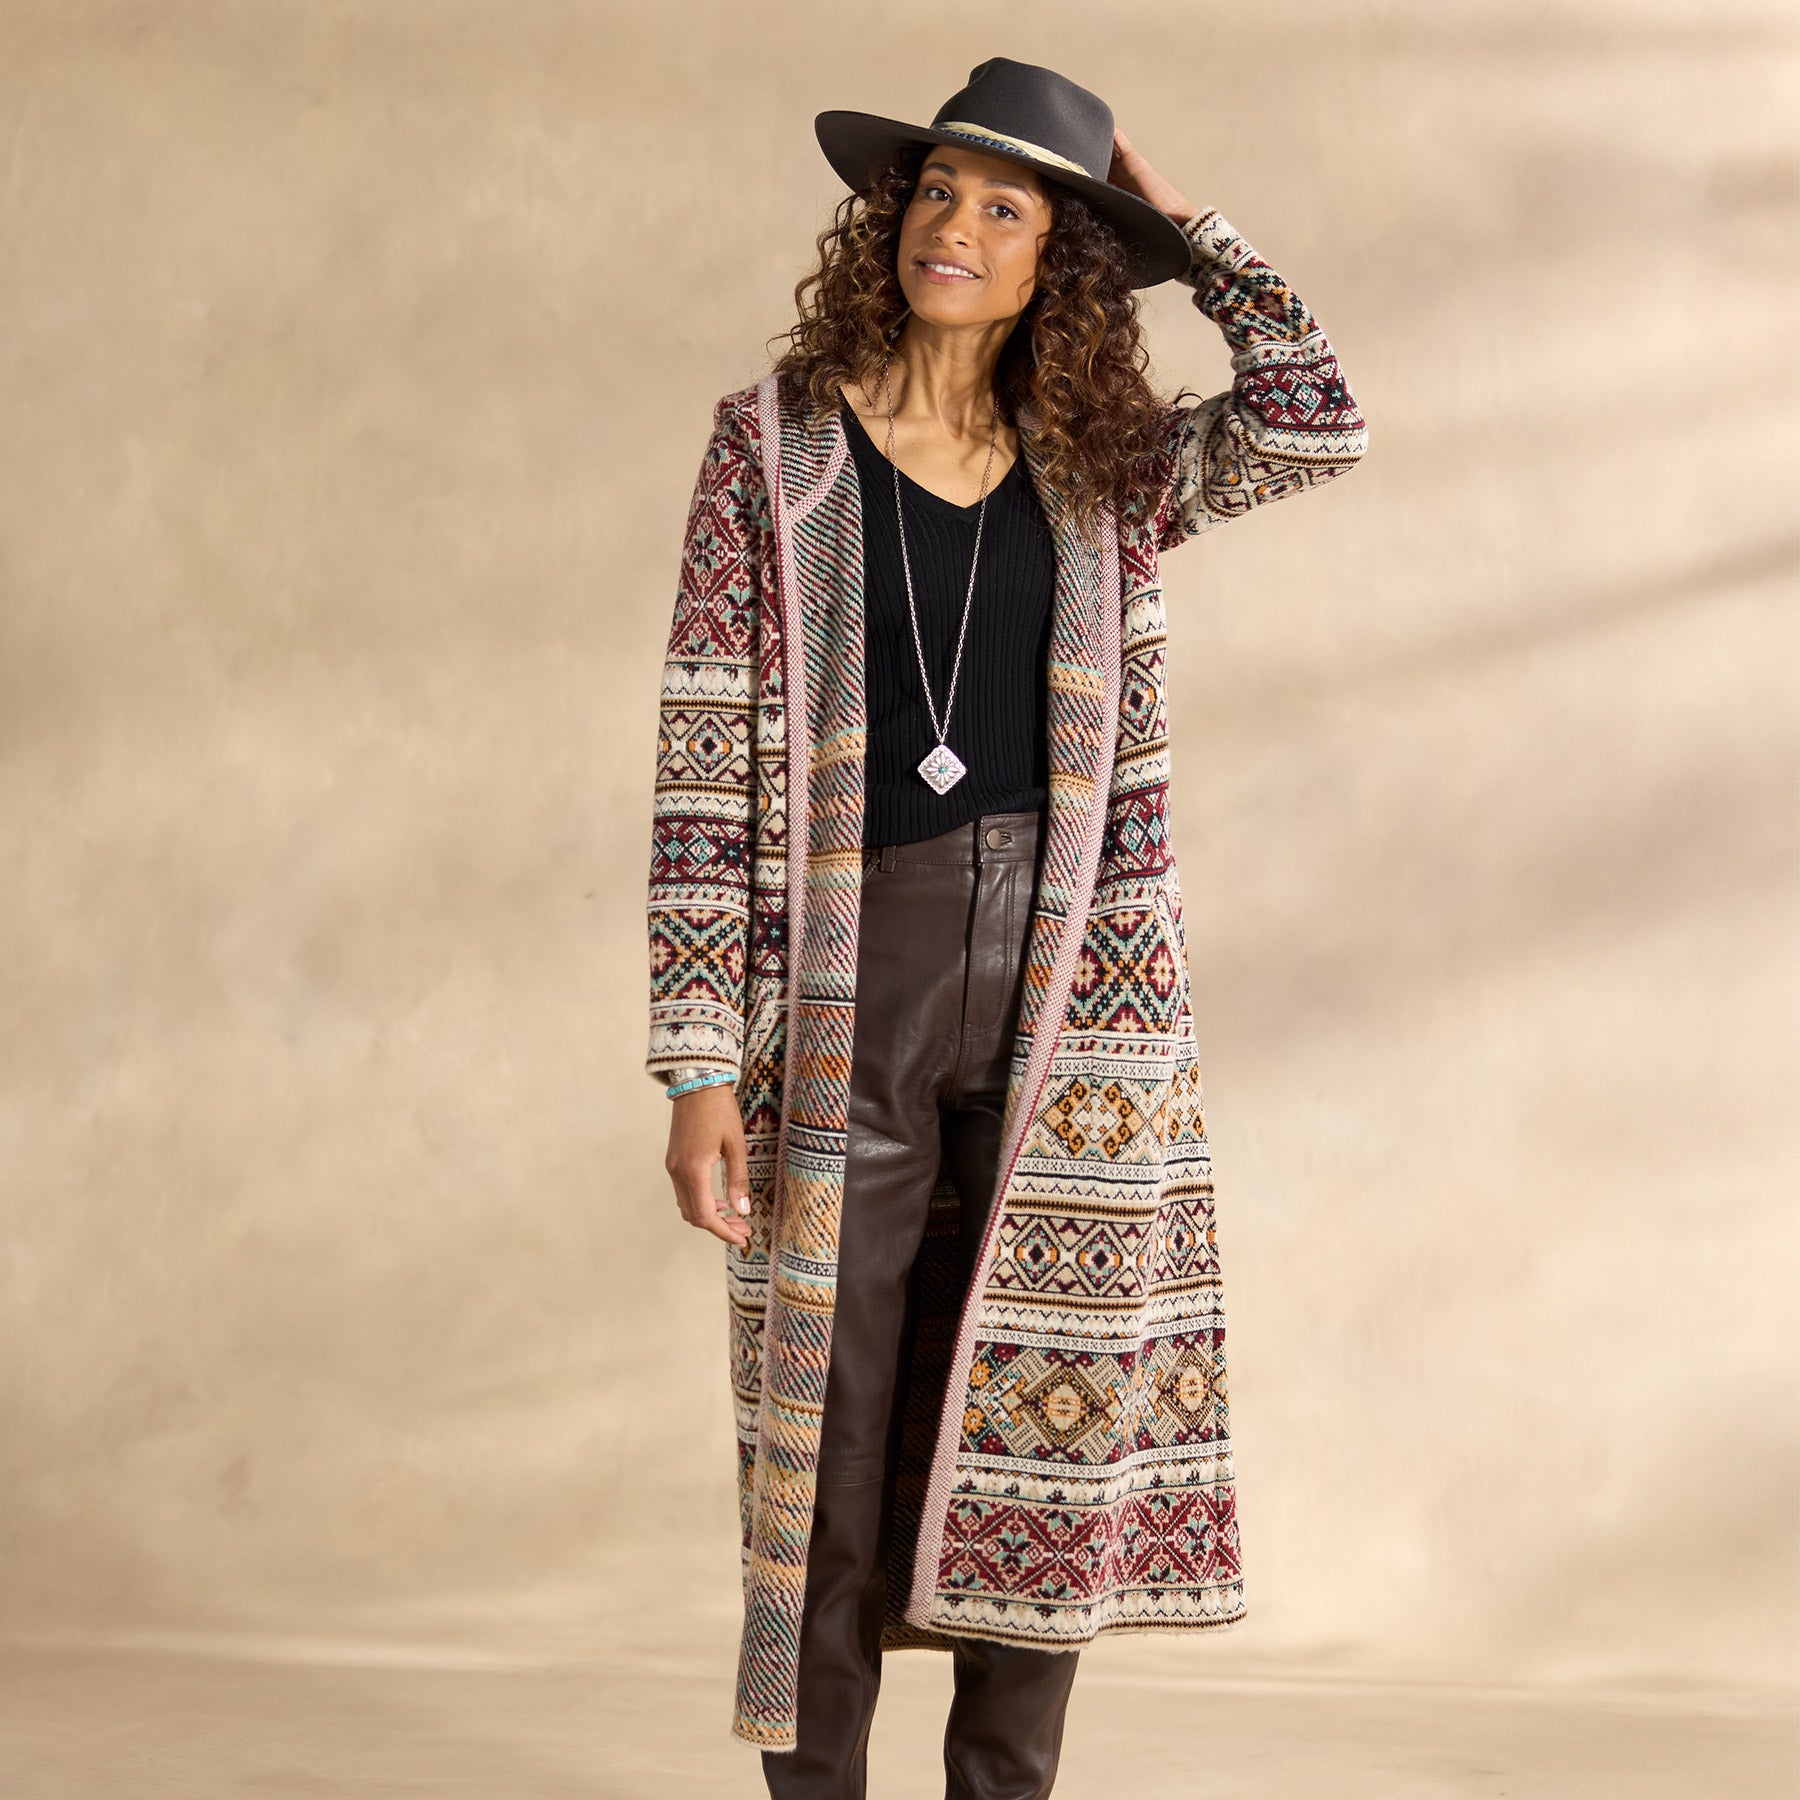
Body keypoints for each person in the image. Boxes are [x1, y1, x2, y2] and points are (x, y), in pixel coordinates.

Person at [647, 57, 1368, 1799]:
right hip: (845, 993)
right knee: (822, 1450)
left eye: (1006, 206)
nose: (952, 229)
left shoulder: (1111, 468)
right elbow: (700, 760)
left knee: (1036, 1447)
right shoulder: (774, 452)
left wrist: (1180, 224)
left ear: (1062, 254)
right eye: (935, 192)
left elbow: (1316, 414)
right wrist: (694, 1060)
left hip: (1074, 1009)